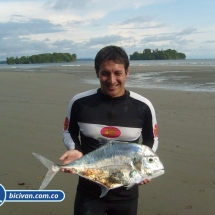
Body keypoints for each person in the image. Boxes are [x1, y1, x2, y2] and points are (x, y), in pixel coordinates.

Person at [60, 45, 159, 215]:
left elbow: (152, 139)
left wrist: (144, 166)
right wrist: (75, 150)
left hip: (126, 193)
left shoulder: (143, 106)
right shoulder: (79, 102)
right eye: (105, 73)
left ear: (127, 72)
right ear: (97, 72)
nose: (112, 80)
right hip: (88, 192)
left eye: (118, 73)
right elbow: (69, 131)